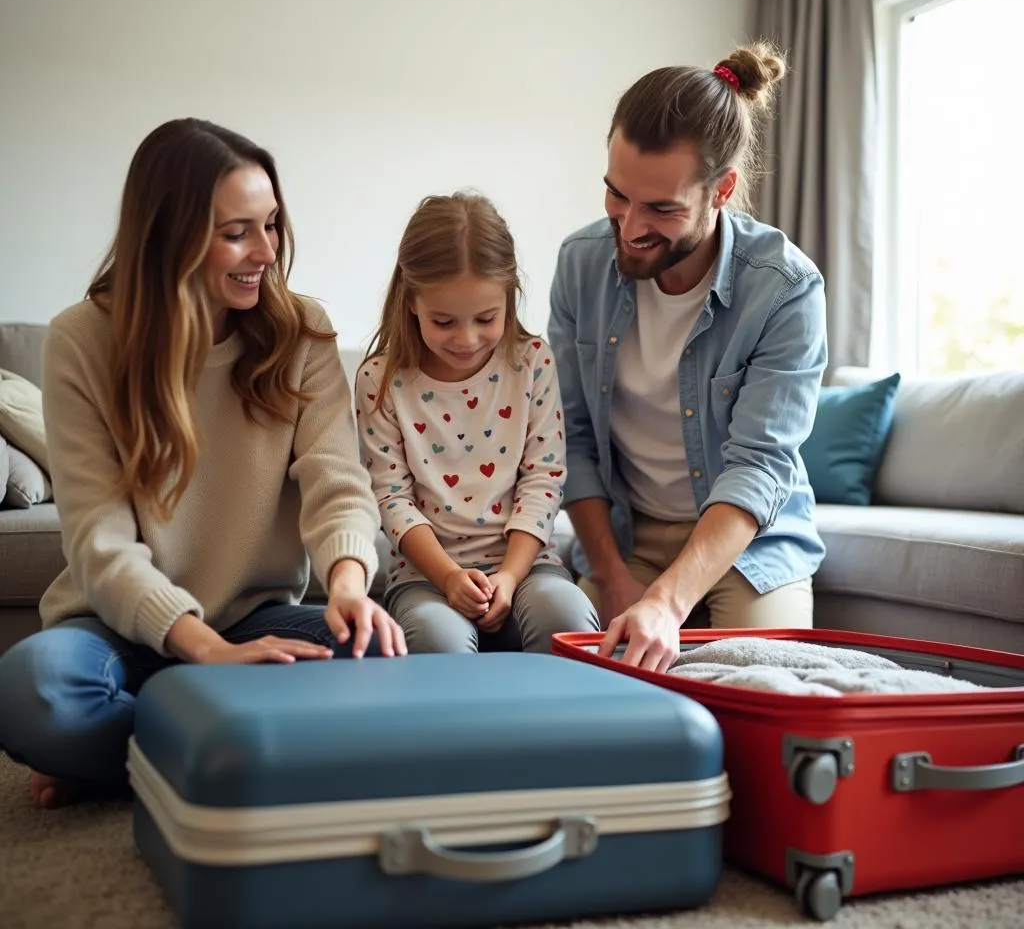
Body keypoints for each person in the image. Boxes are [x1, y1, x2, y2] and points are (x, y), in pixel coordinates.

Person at [0, 118, 406, 808]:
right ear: (169, 234)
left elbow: (338, 483)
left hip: (253, 621)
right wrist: (204, 653)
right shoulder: (83, 341)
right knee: (33, 694)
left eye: (271, 224)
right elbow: (101, 544)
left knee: (388, 663)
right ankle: (213, 738)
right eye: (236, 231)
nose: (265, 251)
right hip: (117, 629)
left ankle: (134, 754)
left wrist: (346, 580)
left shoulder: (301, 333)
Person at [548, 42, 827, 674]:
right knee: (577, 679)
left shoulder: (786, 288)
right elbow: (573, 438)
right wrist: (616, 578)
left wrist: (667, 601)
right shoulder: (580, 264)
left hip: (748, 541)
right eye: (617, 195)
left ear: (721, 189)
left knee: (762, 684)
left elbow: (760, 467)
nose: (629, 226)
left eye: (662, 208)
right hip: (627, 534)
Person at [356, 192, 599, 654]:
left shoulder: (531, 363)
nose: (467, 340)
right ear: (411, 302)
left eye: (486, 318)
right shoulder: (380, 380)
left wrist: (508, 576)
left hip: (526, 566)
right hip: (426, 575)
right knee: (437, 639)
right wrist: (448, 576)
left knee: (566, 617)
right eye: (444, 321)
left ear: (509, 295)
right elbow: (390, 496)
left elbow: (543, 480)